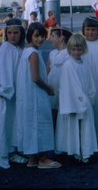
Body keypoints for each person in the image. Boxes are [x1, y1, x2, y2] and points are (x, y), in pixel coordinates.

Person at [15, 22, 62, 169]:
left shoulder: (26, 51)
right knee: (40, 122)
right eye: (36, 36)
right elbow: (36, 78)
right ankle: (42, 158)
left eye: (42, 36)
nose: (40, 39)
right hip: (35, 95)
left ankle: (32, 158)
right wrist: (48, 88)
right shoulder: (34, 53)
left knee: (30, 123)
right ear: (30, 36)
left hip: (26, 95)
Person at [0, 18, 28, 169]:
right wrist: (5, 89)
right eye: (10, 33)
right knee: (3, 121)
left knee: (13, 122)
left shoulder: (21, 49)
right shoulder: (5, 48)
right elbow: (2, 70)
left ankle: (11, 150)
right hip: (5, 92)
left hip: (17, 93)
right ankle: (3, 153)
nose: (13, 36)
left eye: (16, 33)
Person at [55, 34, 98, 163]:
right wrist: (79, 102)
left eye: (79, 49)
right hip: (73, 102)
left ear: (83, 49)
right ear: (69, 49)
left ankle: (85, 151)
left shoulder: (85, 63)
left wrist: (91, 97)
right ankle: (76, 151)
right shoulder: (68, 65)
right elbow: (68, 86)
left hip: (84, 101)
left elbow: (90, 82)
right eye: (73, 49)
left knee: (84, 128)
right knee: (75, 127)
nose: (76, 52)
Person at [47, 27, 73, 128]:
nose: (50, 39)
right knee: (52, 115)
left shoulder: (69, 54)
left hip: (64, 90)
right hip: (52, 90)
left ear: (61, 38)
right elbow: (47, 71)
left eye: (53, 36)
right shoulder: (52, 53)